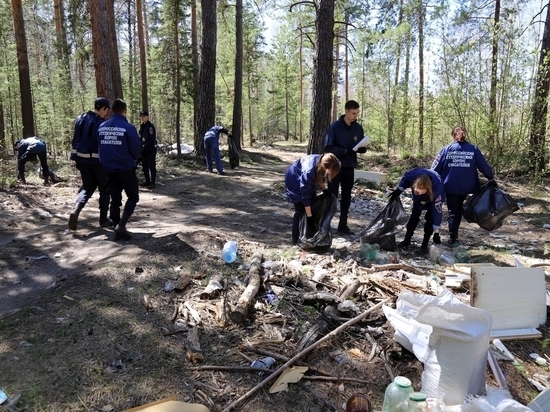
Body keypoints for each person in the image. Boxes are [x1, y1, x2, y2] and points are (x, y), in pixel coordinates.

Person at [431, 126, 494, 246]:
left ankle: (453, 237)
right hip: (467, 186)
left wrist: (431, 182)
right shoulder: (473, 149)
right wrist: (490, 177)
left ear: (453, 136)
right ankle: (455, 234)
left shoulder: (446, 149)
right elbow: (484, 166)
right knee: (458, 208)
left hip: (450, 186)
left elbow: (434, 168)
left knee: (453, 211)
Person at [97, 98, 142, 240]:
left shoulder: (102, 126)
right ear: (125, 111)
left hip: (109, 169)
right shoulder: (128, 127)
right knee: (133, 196)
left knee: (115, 198)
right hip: (126, 168)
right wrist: (132, 158)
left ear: (111, 110)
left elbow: (100, 146)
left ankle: (117, 226)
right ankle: (121, 225)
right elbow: (136, 150)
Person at [323, 100, 369, 235]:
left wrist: (362, 149)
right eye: (353, 113)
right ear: (346, 111)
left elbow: (359, 144)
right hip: (335, 167)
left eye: (357, 113)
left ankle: (343, 224)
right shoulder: (335, 127)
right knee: (332, 195)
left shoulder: (358, 128)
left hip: (349, 166)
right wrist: (344, 151)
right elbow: (328, 147)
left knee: (347, 196)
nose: (355, 116)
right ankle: (326, 224)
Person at [68, 97, 112, 230]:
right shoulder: (101, 123)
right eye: (106, 110)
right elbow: (103, 144)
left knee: (87, 187)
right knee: (105, 189)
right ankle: (103, 220)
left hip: (82, 160)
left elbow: (75, 139)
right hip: (97, 162)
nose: (106, 113)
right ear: (103, 108)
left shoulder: (80, 118)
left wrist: (76, 159)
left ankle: (76, 210)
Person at [284, 153, 341, 245]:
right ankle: (296, 240)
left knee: (312, 207)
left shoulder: (322, 162)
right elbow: (305, 196)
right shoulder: (309, 171)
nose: (331, 174)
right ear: (325, 166)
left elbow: (319, 178)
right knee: (300, 211)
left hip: (306, 181)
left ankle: (308, 236)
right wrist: (309, 216)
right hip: (294, 179)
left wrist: (325, 191)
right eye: (331, 172)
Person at [389, 168, 445, 253]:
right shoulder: (412, 176)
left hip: (431, 196)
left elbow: (437, 211)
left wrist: (436, 232)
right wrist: (399, 190)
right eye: (419, 190)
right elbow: (405, 179)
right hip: (418, 195)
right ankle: (407, 240)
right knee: (414, 214)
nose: (421, 193)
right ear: (414, 185)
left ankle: (424, 245)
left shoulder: (437, 190)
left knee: (430, 218)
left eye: (423, 191)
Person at [138, 110, 157, 189]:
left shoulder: (150, 127)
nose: (142, 118)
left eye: (144, 116)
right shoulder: (142, 126)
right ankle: (147, 181)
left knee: (151, 166)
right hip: (143, 150)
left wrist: (145, 148)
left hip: (150, 150)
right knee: (144, 166)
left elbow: (150, 140)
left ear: (147, 117)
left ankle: (153, 182)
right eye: (141, 117)